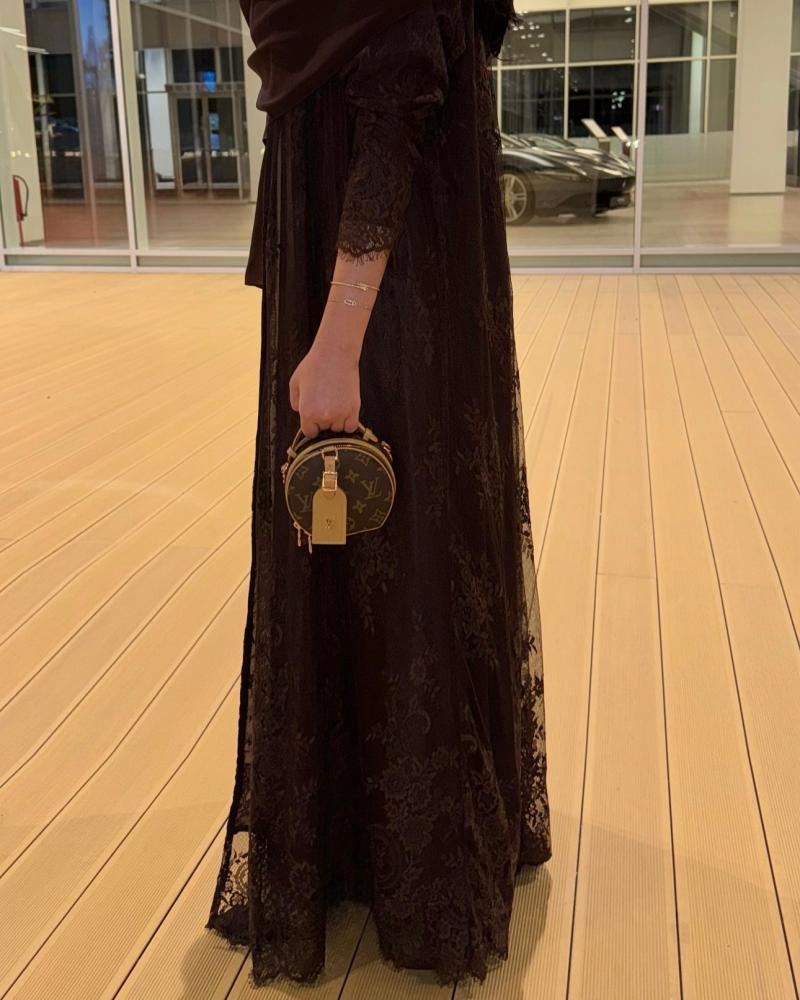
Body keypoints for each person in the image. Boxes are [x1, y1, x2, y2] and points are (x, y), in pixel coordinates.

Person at [205, 0, 552, 988]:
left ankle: (422, 872)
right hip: (367, 291)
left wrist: (336, 342)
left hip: (386, 311)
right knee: (372, 557)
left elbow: (398, 111)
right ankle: (368, 845)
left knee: (396, 555)